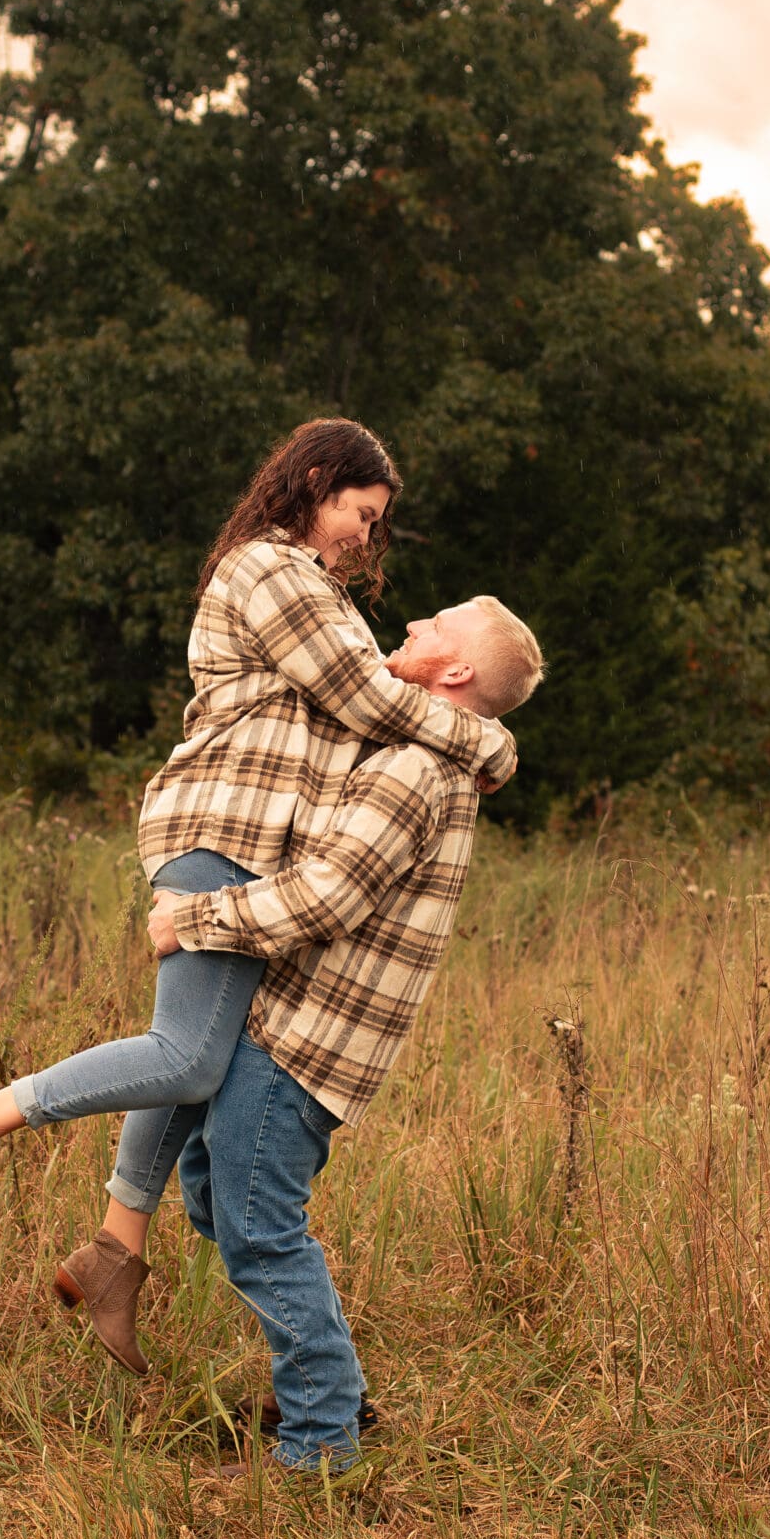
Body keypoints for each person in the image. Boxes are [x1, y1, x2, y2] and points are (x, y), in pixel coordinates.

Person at [0, 419, 512, 1301]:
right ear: (314, 481)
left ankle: (115, 1252)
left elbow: (376, 700)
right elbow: (366, 698)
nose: (367, 536)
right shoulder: (269, 570)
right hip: (223, 827)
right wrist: (490, 745)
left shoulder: (324, 596)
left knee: (204, 1055)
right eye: (361, 511)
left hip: (255, 847)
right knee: (187, 1055)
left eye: (378, 524)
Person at [134, 595, 545, 1474]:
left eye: (431, 630)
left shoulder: (415, 773)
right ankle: (330, 1388)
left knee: (257, 1222)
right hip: (295, 1025)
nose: (407, 631)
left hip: (308, 1040)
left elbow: (327, 894)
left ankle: (321, 1438)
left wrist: (195, 919)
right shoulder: (428, 754)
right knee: (218, 1194)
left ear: (457, 671)